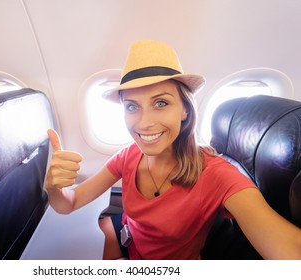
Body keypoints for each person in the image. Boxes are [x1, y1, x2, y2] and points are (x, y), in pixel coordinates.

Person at [44, 40, 301, 260]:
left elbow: (289, 250)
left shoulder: (217, 175)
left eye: (161, 103)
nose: (144, 123)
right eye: (132, 106)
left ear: (185, 110)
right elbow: (70, 203)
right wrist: (53, 186)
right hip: (128, 240)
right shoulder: (127, 155)